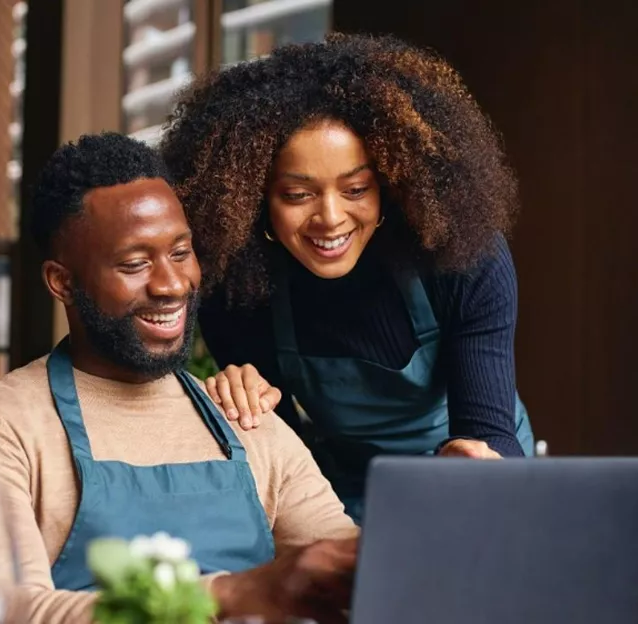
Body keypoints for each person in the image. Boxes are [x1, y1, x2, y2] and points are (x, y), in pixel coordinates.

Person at [0, 133, 358, 623]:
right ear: (62, 281)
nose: (172, 285)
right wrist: (228, 595)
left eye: (180, 253)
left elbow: (351, 573)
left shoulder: (245, 416)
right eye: (135, 264)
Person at [159, 33, 535, 522]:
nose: (331, 219)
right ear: (253, 199)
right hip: (346, 488)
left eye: (356, 189)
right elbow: (283, 459)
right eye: (298, 195)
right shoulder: (237, 287)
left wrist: (473, 462)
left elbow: (490, 433)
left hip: (472, 476)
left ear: (390, 184)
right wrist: (244, 405)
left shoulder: (462, 257)